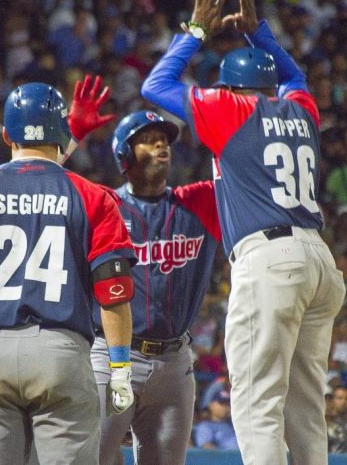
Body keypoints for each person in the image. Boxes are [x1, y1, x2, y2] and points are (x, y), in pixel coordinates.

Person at [141, 0, 345, 465]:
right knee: (305, 407)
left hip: (271, 260)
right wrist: (261, 35)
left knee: (257, 403)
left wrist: (194, 31)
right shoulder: (299, 108)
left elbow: (156, 86)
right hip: (319, 257)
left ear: (229, 87)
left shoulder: (228, 108)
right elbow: (296, 79)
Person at [0, 82, 137, 464]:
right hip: (62, 354)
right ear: (61, 133)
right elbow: (112, 291)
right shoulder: (94, 196)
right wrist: (119, 366)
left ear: (6, 134)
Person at [82, 109, 220, 464]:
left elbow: (243, 174)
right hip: (112, 356)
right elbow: (48, 187)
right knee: (89, 458)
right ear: (124, 156)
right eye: (147, 138)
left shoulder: (200, 202)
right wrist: (70, 135)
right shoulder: (105, 205)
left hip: (175, 362)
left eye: (165, 139)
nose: (161, 143)